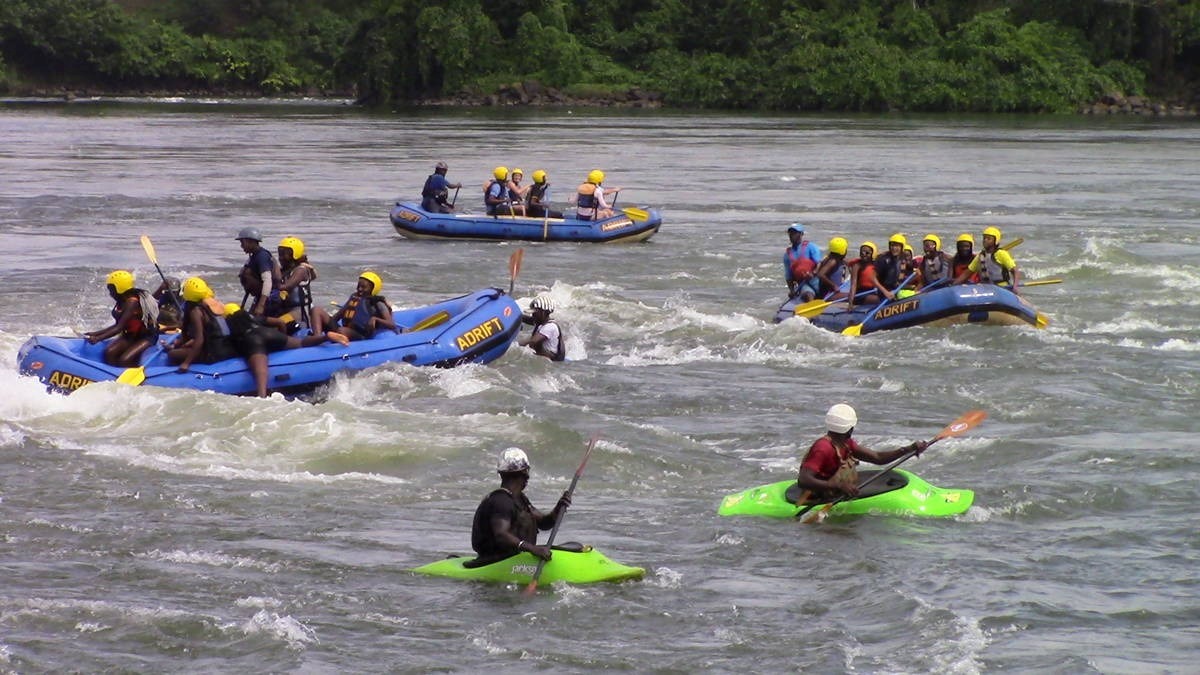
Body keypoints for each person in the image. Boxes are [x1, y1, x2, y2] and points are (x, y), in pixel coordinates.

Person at [795, 404, 929, 502]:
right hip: (819, 494)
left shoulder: (847, 444)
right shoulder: (823, 448)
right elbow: (804, 480)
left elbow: (878, 458)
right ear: (849, 429)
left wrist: (909, 448)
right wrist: (839, 486)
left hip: (835, 488)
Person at [469, 447, 571, 566]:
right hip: (495, 560)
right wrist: (532, 549)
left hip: (514, 556)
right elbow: (501, 535)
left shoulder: (520, 499)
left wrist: (559, 508)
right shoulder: (500, 502)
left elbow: (544, 523)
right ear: (525, 473)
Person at [222, 302, 345, 397]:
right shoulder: (252, 318)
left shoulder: (235, 331)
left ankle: (262, 396)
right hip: (269, 334)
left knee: (260, 372)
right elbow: (280, 322)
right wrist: (282, 338)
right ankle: (325, 337)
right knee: (301, 342)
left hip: (252, 341)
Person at [83, 270, 158, 367]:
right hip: (130, 335)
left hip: (146, 337)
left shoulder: (132, 302)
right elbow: (117, 325)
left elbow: (119, 328)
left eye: (111, 290)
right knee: (109, 352)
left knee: (124, 360)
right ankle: (112, 375)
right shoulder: (122, 300)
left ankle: (130, 377)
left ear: (119, 289)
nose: (110, 293)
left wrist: (98, 338)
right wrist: (94, 333)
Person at [166, 276, 239, 371]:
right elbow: (214, 330)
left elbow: (200, 339)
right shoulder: (216, 303)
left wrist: (186, 363)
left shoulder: (196, 312)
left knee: (172, 354)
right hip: (228, 348)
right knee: (185, 346)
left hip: (214, 353)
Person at [309, 271, 397, 341]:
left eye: (364, 287)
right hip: (345, 329)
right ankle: (317, 338)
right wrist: (324, 323)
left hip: (360, 334)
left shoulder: (378, 303)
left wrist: (375, 319)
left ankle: (333, 338)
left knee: (341, 331)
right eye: (358, 286)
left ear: (373, 289)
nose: (359, 289)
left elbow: (391, 324)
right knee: (316, 310)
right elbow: (338, 316)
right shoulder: (354, 297)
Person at [264, 236, 316, 334]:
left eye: (284, 254)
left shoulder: (301, 270)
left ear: (294, 254)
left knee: (275, 327)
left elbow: (287, 286)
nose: (281, 258)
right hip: (284, 310)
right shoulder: (282, 270)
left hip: (299, 312)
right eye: (280, 254)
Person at [953, 226, 1019, 293]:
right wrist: (952, 285)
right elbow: (966, 273)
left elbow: (1015, 271)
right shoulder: (981, 256)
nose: (985, 240)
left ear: (995, 241)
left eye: (989, 239)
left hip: (1002, 287)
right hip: (987, 287)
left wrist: (1015, 286)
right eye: (984, 238)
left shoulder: (1001, 254)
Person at [236, 227, 282, 317]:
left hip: (269, 300)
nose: (241, 246)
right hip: (260, 297)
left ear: (251, 242)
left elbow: (267, 281)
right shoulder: (254, 256)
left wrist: (261, 305)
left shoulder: (262, 256)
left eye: (242, 243)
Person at [519, 294, 565, 361]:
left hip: (552, 361)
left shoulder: (550, 327)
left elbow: (532, 341)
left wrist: (513, 346)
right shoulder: (540, 321)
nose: (532, 315)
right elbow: (525, 318)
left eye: (535, 312)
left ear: (543, 312)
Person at [783, 223, 822, 301]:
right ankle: (812, 309)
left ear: (801, 234)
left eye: (795, 233)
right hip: (803, 284)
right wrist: (792, 290)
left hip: (817, 280)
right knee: (808, 295)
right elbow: (788, 276)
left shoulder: (811, 247)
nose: (792, 235)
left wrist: (813, 273)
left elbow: (819, 264)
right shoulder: (787, 255)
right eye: (790, 233)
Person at [872, 233, 907, 300]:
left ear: (902, 247)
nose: (894, 248)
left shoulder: (903, 258)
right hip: (884, 292)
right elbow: (873, 278)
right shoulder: (882, 259)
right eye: (892, 245)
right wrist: (885, 292)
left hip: (896, 290)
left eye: (897, 246)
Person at [845, 242, 880, 309]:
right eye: (862, 252)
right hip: (860, 294)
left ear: (873, 254)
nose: (864, 254)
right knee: (878, 299)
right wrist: (850, 303)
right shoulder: (857, 266)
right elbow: (853, 285)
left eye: (867, 253)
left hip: (872, 291)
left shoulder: (876, 265)